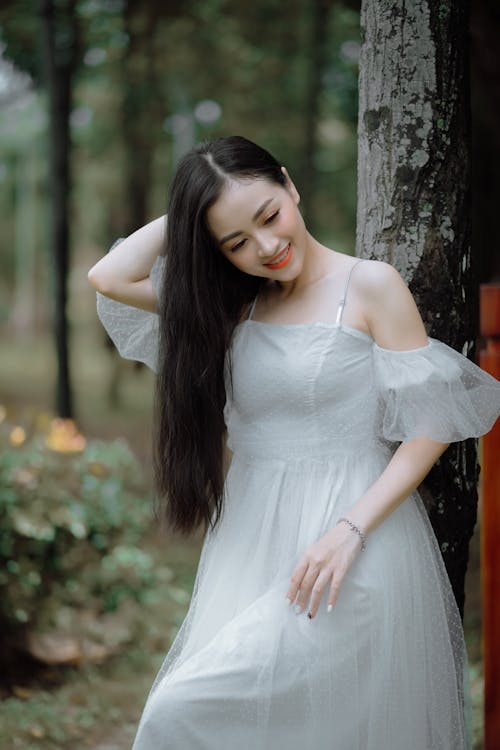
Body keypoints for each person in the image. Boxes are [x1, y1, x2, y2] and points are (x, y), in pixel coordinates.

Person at [87, 135, 500, 750]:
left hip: (350, 541)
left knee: (183, 711)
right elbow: (109, 276)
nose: (267, 247)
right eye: (237, 242)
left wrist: (349, 529)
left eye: (269, 216)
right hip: (252, 542)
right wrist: (195, 210)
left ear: (289, 184)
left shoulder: (370, 286)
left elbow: (432, 422)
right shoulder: (230, 303)